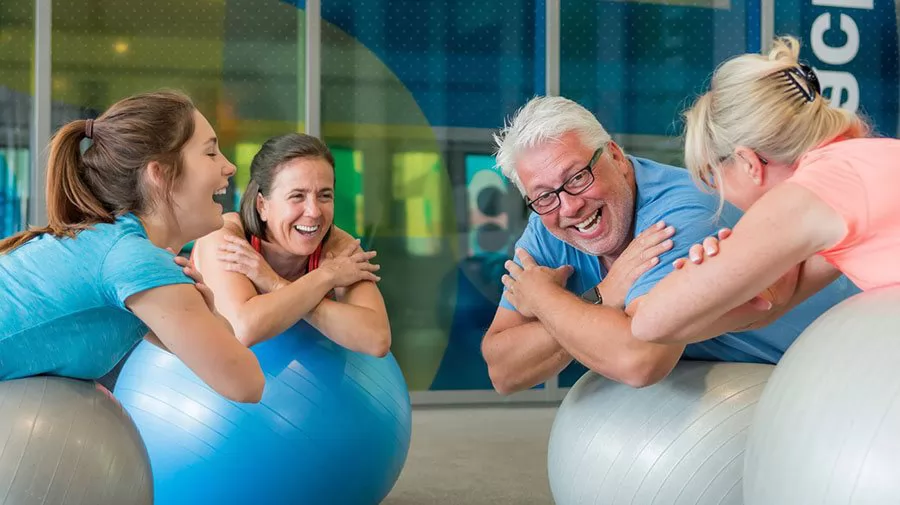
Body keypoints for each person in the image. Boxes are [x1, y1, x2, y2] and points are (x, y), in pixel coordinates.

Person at [483, 94, 858, 394]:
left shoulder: (683, 210)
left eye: (578, 177)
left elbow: (638, 360)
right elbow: (502, 369)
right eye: (544, 196)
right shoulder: (549, 222)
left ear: (615, 155)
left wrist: (544, 299)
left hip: (842, 376)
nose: (569, 206)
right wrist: (601, 296)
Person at [630, 36, 900, 345]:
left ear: (747, 161)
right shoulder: (867, 161)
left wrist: (701, 283)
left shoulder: (809, 192)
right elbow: (777, 301)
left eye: (713, 176)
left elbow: (648, 324)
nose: (721, 195)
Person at [0, 91, 264, 403]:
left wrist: (210, 313)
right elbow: (246, 384)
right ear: (161, 174)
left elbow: (219, 356)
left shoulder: (113, 248)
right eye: (210, 154)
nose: (230, 167)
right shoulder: (135, 262)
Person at [190, 133, 390, 355]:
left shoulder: (338, 247)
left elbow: (377, 340)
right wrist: (327, 277)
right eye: (297, 196)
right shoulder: (225, 237)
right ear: (262, 205)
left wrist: (275, 283)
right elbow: (243, 328)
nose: (314, 212)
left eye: (324, 196)